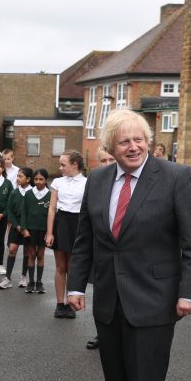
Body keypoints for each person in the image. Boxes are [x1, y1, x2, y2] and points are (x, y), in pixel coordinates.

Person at [66, 109, 191, 381]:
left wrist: (190, 292)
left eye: (139, 139)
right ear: (110, 146)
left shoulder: (176, 178)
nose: (133, 146)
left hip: (155, 300)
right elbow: (86, 239)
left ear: (148, 141)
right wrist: (76, 286)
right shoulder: (97, 180)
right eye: (125, 141)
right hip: (110, 298)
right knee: (117, 379)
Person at [45, 151, 88, 318]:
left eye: (63, 165)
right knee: (60, 266)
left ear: (75, 165)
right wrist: (49, 232)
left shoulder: (87, 183)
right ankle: (59, 304)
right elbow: (51, 208)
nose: (60, 167)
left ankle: (71, 303)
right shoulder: (57, 182)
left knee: (72, 266)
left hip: (78, 224)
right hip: (61, 223)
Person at [86, 147, 116, 350]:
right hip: (102, 253)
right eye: (103, 160)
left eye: (111, 159)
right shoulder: (96, 181)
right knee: (101, 295)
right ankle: (102, 333)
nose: (107, 164)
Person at [0, 167, 33, 289]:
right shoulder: (14, 193)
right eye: (17, 176)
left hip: (28, 228)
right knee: (12, 249)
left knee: (27, 252)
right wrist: (17, 225)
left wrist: (25, 228)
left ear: (28, 179)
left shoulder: (33, 193)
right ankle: (7, 278)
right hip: (16, 227)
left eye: (20, 176)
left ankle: (23, 277)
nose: (17, 179)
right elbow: (10, 211)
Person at [20, 168, 51, 293]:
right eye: (36, 179)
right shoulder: (28, 194)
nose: (38, 182)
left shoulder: (50, 195)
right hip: (30, 230)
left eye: (41, 179)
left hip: (44, 230)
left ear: (46, 180)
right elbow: (23, 212)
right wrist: (24, 228)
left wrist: (50, 232)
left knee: (41, 255)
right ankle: (31, 282)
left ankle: (39, 282)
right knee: (31, 255)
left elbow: (52, 215)